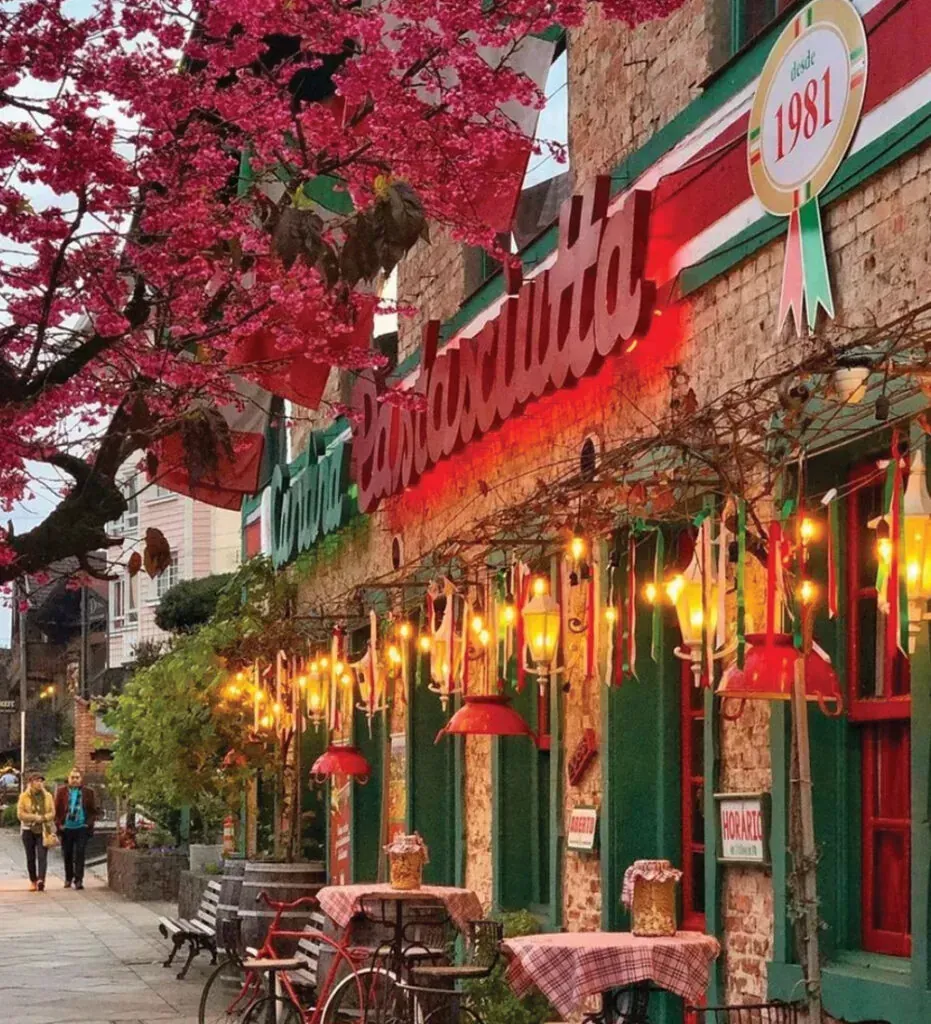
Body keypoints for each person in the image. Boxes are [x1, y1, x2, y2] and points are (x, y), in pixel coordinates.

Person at [55, 767, 97, 890]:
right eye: (72, 777)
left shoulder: (88, 792)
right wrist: (59, 824)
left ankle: (79, 879)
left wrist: (88, 823)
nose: (74, 780)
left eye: (77, 777)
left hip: (81, 828)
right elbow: (56, 810)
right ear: (68, 779)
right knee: (67, 853)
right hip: (66, 828)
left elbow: (93, 811)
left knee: (80, 853)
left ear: (81, 779)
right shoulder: (62, 791)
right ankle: (68, 878)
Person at [17, 771, 55, 891]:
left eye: (41, 781)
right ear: (31, 782)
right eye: (36, 781)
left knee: (42, 855)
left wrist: (43, 818)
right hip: (28, 829)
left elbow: (52, 813)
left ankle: (41, 880)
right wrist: (34, 817)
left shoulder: (48, 796)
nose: (39, 783)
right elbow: (20, 814)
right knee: (30, 856)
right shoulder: (24, 796)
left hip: (43, 829)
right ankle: (33, 880)